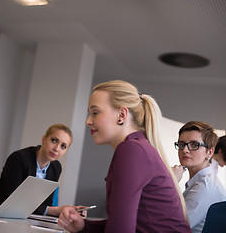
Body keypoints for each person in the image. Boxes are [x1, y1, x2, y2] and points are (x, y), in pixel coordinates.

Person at [58, 80, 191, 232]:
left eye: (95, 112)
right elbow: (127, 224)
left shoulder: (132, 150)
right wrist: (83, 225)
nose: (88, 121)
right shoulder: (137, 147)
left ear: (122, 115)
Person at [0, 124, 82, 216]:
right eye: (54, 140)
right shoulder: (18, 158)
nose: (56, 148)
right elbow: (13, 200)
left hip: (29, 218)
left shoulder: (56, 167)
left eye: (63, 146)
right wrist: (55, 211)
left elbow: (47, 202)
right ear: (43, 139)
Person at [172, 121, 226, 233]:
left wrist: (170, 183)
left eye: (194, 145)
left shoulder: (205, 186)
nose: (185, 150)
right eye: (181, 144)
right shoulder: (200, 181)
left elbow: (171, 227)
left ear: (209, 152)